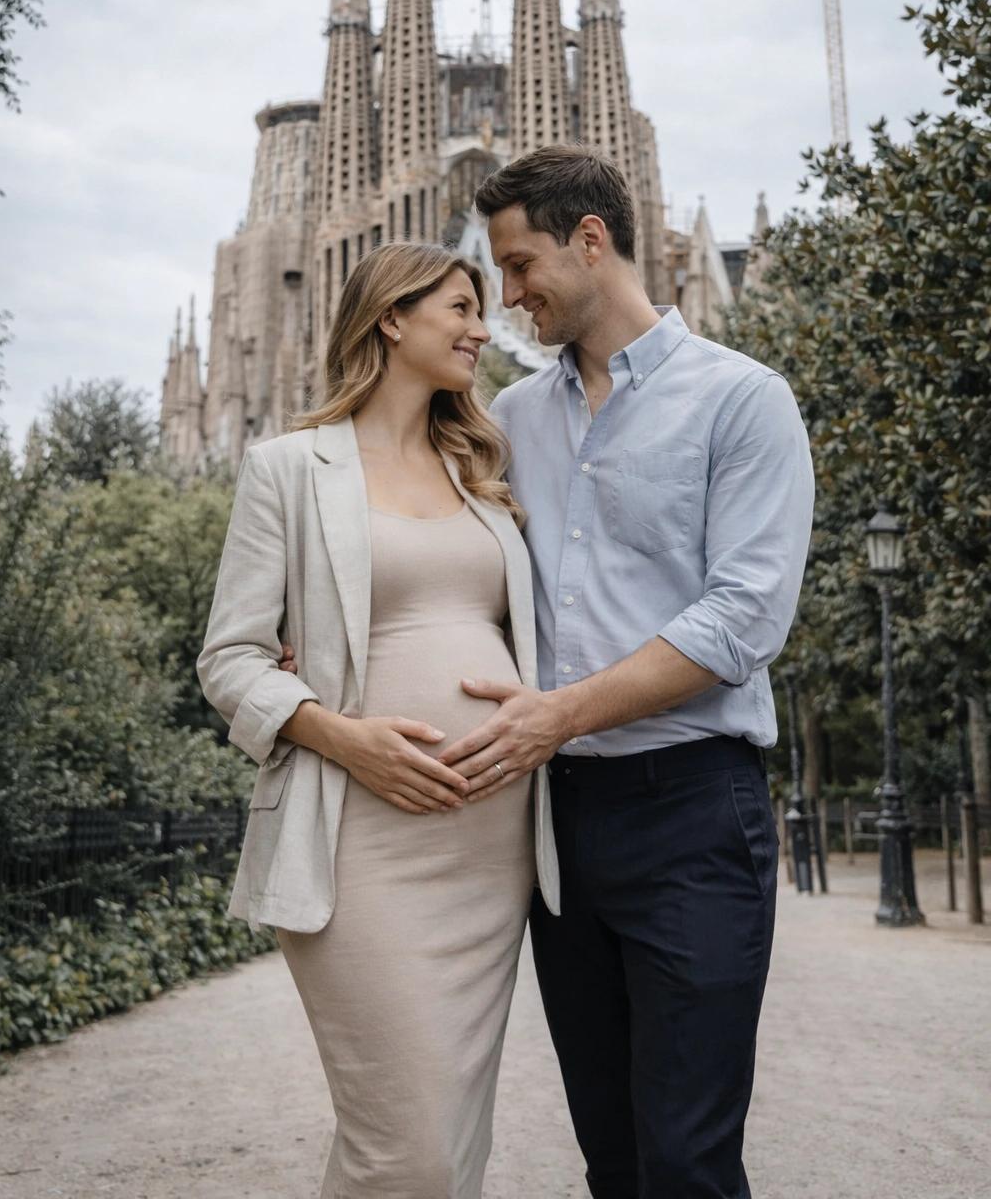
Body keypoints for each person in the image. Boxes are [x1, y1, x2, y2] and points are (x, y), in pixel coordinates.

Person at [430, 145, 815, 1199]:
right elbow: (442, 571)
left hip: (691, 810)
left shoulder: (742, 401)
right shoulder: (510, 423)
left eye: (518, 267)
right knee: (612, 1155)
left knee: (687, 1160)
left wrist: (556, 716)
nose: (506, 298)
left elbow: (741, 621)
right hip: (556, 826)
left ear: (590, 241)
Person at [198, 243, 559, 1199]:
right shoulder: (288, 468)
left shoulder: (481, 466)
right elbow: (229, 657)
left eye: (483, 309)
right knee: (412, 1151)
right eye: (459, 308)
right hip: (358, 843)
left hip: (493, 851)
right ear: (390, 318)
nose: (484, 329)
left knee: (443, 1144)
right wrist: (341, 735)